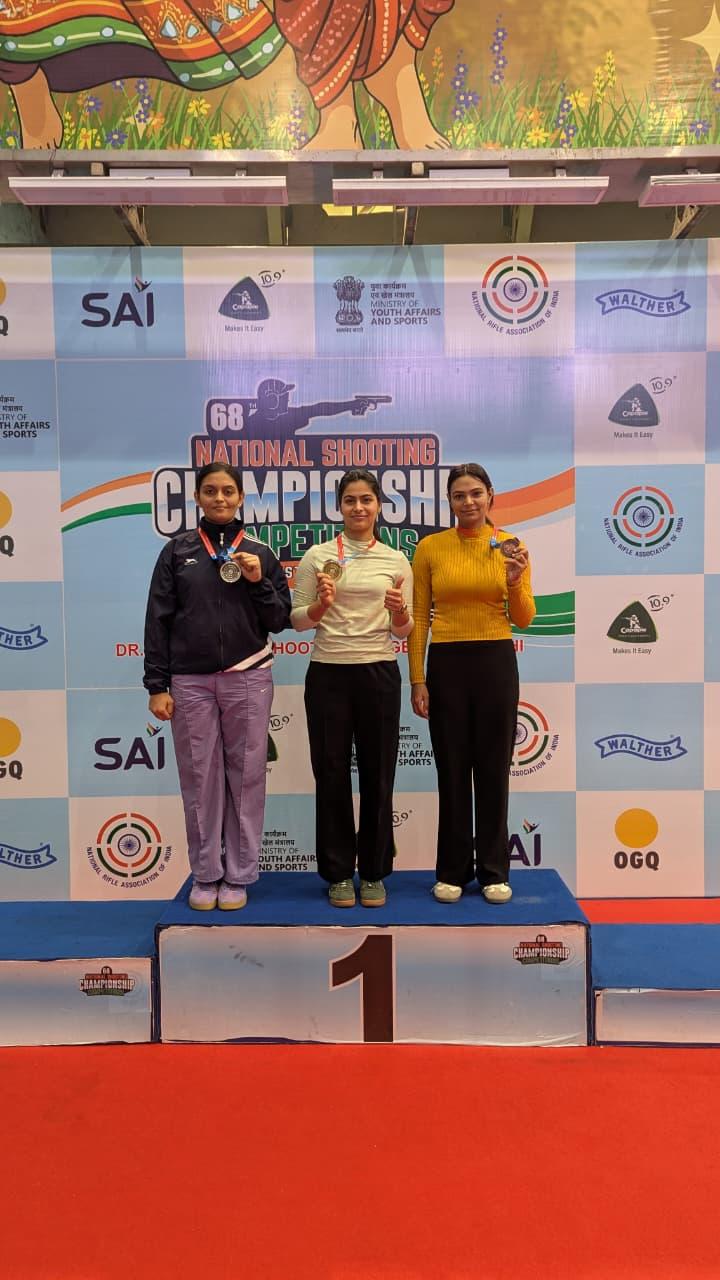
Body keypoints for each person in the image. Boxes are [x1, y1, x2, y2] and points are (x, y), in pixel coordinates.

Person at [143, 461, 291, 911]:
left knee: (245, 779)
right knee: (199, 778)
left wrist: (258, 581)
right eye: (211, 491)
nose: (220, 498)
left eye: (229, 491)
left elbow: (280, 620)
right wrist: (157, 684)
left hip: (248, 675)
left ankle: (241, 875)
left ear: (242, 497)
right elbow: (158, 619)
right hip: (189, 682)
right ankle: (206, 874)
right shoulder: (177, 551)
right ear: (198, 498)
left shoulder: (261, 552)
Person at [409, 463, 535, 905]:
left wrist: (516, 582)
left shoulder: (511, 546)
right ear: (450, 501)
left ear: (490, 496)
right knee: (453, 771)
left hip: (496, 662)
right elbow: (419, 617)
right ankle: (453, 871)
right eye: (459, 495)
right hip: (446, 663)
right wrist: (418, 679)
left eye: (476, 493)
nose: (468, 502)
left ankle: (495, 871)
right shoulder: (430, 548)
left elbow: (524, 617)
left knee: (494, 769)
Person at [291, 467, 413, 908]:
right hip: (328, 673)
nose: (358, 508)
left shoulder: (397, 560)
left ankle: (375, 872)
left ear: (379, 505)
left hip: (379, 671)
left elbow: (405, 630)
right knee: (331, 774)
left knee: (380, 776)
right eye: (349, 500)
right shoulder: (317, 556)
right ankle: (339, 873)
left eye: (366, 499)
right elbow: (297, 620)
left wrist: (399, 613)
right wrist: (322, 605)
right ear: (339, 507)